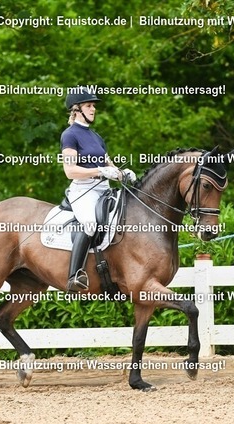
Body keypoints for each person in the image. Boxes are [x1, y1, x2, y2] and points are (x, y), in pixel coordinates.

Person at [60, 87, 136, 292]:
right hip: (83, 190)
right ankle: (75, 275)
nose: (93, 109)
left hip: (104, 189)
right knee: (90, 223)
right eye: (89, 105)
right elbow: (70, 171)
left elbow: (108, 164)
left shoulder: (96, 136)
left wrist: (122, 173)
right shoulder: (69, 135)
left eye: (93, 105)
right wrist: (100, 171)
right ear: (76, 109)